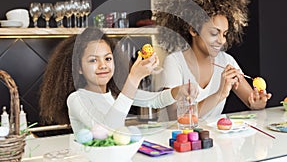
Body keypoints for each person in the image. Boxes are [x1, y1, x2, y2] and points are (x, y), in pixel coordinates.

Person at [39, 28, 196, 134]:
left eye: (108, 58)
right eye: (93, 60)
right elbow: (107, 129)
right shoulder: (77, 99)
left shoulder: (116, 93)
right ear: (78, 68)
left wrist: (178, 91)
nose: (103, 65)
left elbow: (155, 101)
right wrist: (133, 78)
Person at [154, 0, 272, 121]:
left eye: (225, 34)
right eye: (214, 33)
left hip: (210, 139)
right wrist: (220, 94)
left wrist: (258, 103)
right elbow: (177, 117)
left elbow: (251, 101)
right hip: (175, 139)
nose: (221, 41)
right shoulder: (175, 62)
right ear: (193, 30)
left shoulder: (227, 61)